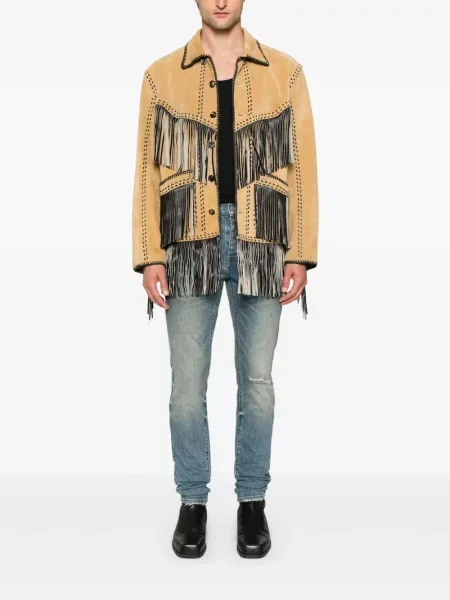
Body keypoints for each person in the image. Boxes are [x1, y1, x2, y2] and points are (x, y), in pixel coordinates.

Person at [131, 0, 319, 559]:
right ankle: (192, 502)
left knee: (257, 383)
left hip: (263, 238)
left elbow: (303, 168)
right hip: (187, 238)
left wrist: (300, 252)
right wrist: (150, 254)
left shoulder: (286, 73)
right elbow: (146, 171)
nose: (220, 1)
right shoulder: (160, 77)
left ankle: (252, 503)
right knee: (187, 388)